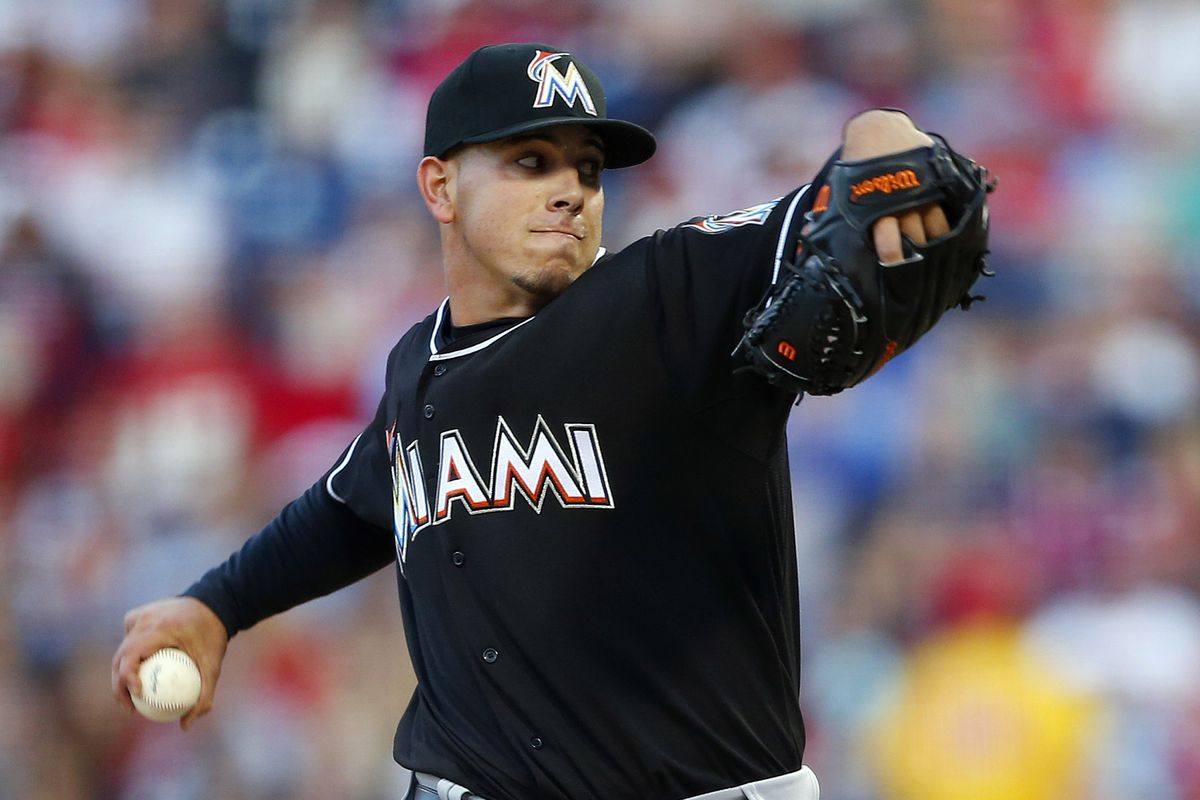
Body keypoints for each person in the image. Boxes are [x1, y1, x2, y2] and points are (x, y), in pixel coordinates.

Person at [112, 42, 986, 800]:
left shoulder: (667, 292)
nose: (569, 189)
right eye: (531, 162)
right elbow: (349, 506)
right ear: (439, 185)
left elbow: (889, 167)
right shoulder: (419, 363)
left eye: (586, 168)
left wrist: (884, 139)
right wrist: (215, 606)